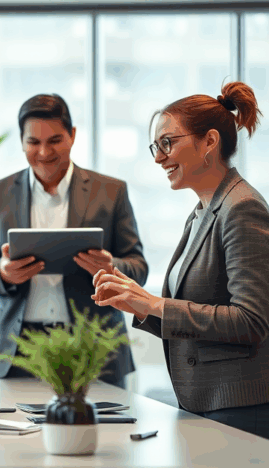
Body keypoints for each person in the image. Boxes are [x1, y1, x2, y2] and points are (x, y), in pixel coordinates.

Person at [93, 81, 269, 438]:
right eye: (155, 147)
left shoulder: (242, 208)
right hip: (205, 403)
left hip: (238, 408)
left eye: (167, 143)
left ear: (209, 142)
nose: (159, 157)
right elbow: (191, 313)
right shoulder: (202, 211)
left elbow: (250, 321)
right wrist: (140, 305)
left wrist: (156, 303)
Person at [0, 93, 148, 388]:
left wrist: (110, 266)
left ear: (72, 136)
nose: (43, 152)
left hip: (92, 344)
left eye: (54, 141)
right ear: (22, 141)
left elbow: (138, 267)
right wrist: (2, 272)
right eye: (33, 142)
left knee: (105, 433)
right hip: (16, 349)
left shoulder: (111, 191)